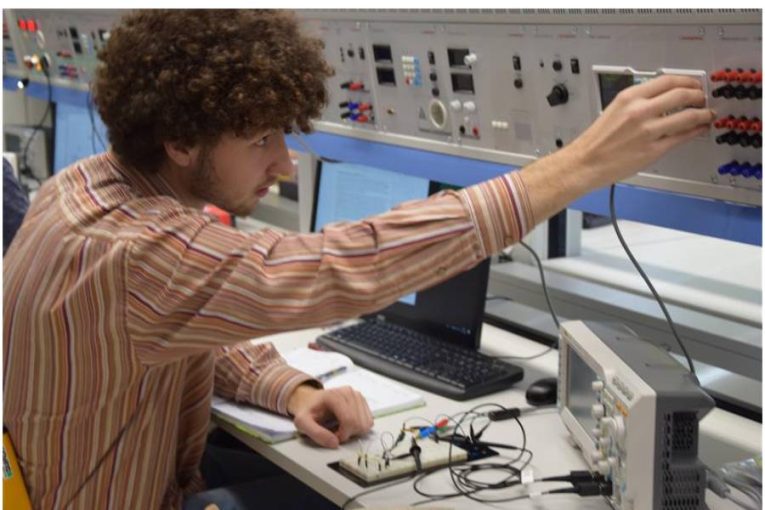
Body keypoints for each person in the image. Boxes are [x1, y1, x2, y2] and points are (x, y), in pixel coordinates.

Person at [2, 9, 714, 510]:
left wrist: (290, 388)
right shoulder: (132, 251)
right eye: (261, 140)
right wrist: (579, 166)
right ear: (181, 142)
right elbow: (342, 266)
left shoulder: (87, 188)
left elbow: (188, 325)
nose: (284, 164)